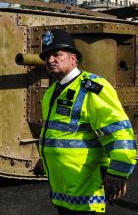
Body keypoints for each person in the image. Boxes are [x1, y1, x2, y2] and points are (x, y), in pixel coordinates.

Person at [38, 29, 136, 214]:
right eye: (47, 56)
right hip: (62, 191)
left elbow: (119, 131)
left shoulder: (91, 87)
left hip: (86, 193)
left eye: (56, 54)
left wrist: (117, 172)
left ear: (73, 58)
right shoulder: (52, 92)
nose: (50, 60)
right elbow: (58, 134)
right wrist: (44, 156)